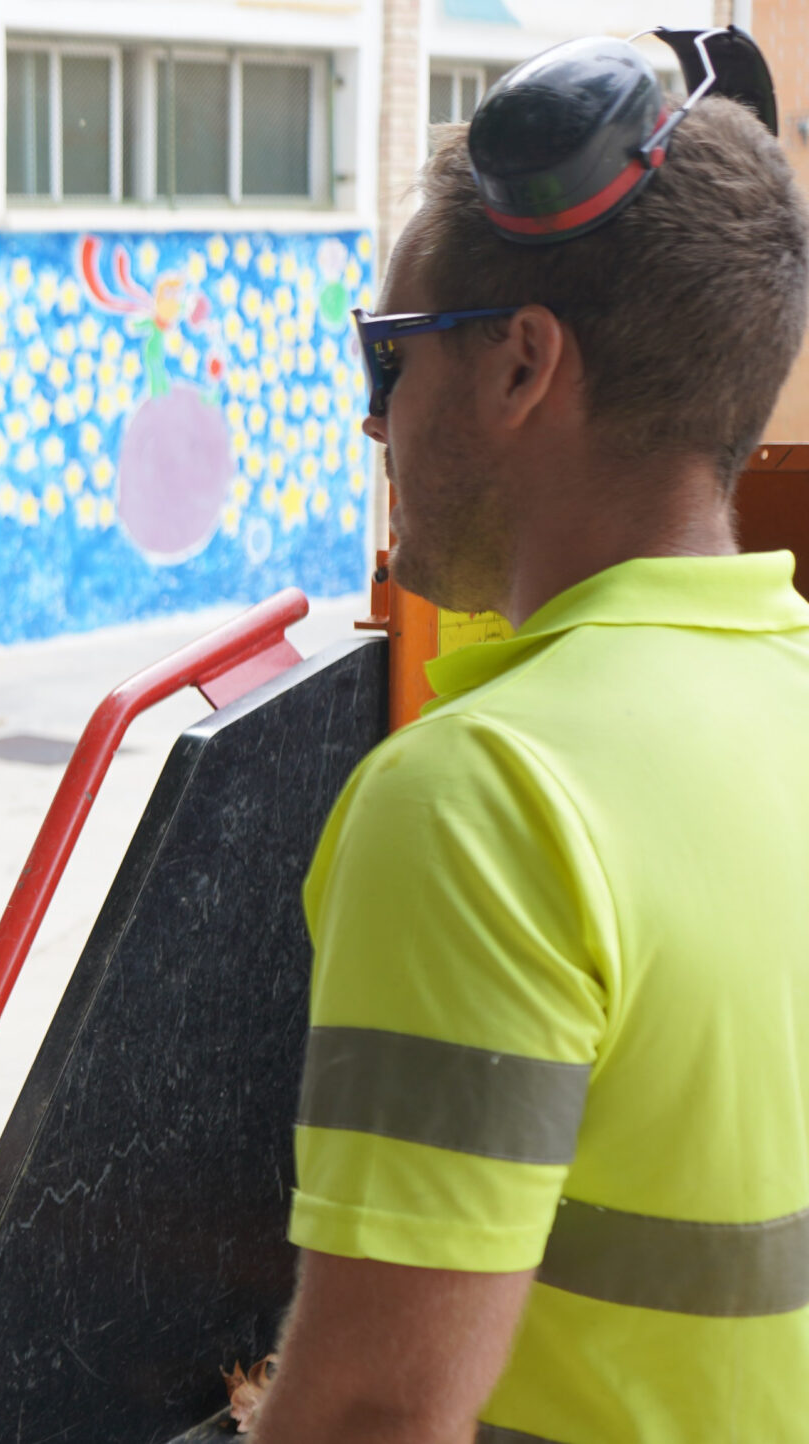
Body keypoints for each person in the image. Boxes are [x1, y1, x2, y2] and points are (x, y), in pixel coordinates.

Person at [249, 59, 809, 1444]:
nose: (375, 421)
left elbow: (375, 1413)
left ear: (517, 362)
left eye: (390, 356)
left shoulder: (486, 800)